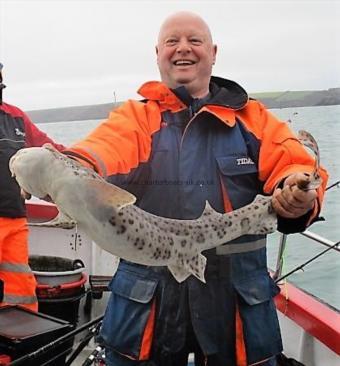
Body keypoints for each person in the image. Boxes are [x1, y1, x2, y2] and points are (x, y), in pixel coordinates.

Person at [63, 12, 328, 366]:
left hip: (237, 303)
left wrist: (297, 192)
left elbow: (295, 164)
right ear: (157, 53)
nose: (182, 49)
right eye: (172, 42)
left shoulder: (254, 119)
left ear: (214, 52)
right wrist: (68, 170)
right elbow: (98, 151)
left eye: (194, 41)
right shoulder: (136, 119)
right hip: (148, 302)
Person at [0, 62, 65, 312]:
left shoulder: (15, 116)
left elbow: (47, 149)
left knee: (20, 293)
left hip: (15, 221)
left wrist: (80, 160)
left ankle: (16, 349)